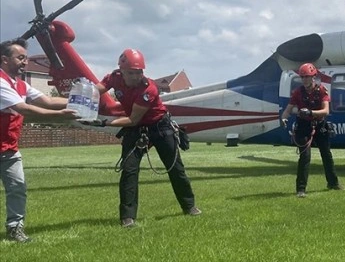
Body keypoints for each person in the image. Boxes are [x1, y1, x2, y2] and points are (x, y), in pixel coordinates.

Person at [89, 48, 200, 228]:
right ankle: (127, 217)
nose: (136, 76)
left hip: (159, 126)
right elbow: (95, 90)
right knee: (129, 170)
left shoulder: (149, 89)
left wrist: (104, 123)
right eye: (131, 73)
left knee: (175, 168)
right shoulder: (113, 78)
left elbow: (132, 119)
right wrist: (82, 96)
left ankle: (190, 207)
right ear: (122, 71)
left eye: (139, 72)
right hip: (136, 129)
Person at [1, 38, 80, 242]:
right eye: (20, 58)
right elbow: (23, 108)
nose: (25, 62)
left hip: (8, 149)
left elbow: (48, 100)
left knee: (17, 188)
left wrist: (84, 101)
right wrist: (60, 115)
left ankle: (14, 229)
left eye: (25, 58)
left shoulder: (20, 84)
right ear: (4, 60)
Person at [280, 63, 344, 198]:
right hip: (303, 126)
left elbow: (326, 111)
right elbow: (288, 109)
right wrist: (284, 118)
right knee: (305, 157)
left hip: (319, 124)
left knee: (326, 155)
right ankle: (301, 189)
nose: (304, 80)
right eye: (302, 77)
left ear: (314, 77)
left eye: (307, 77)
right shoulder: (298, 92)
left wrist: (310, 112)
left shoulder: (322, 90)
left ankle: (333, 183)